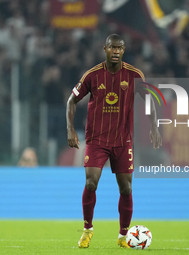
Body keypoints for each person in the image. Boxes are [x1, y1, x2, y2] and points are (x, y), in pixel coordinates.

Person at [66, 34, 162, 249]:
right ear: (105, 49)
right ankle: (87, 230)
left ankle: (123, 235)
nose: (116, 51)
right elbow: (72, 100)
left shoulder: (134, 75)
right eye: (112, 47)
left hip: (122, 141)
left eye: (120, 48)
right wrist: (70, 129)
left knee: (126, 189)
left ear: (124, 50)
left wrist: (155, 127)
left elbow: (150, 100)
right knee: (91, 182)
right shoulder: (93, 75)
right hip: (97, 140)